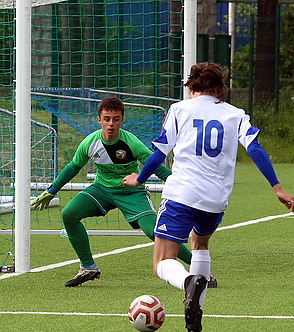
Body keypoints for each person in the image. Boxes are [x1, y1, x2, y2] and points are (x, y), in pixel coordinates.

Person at [122, 62, 294, 332]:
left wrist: (139, 178)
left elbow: (159, 153)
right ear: (220, 88)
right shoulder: (236, 114)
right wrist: (277, 188)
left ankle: (188, 283)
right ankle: (196, 312)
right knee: (200, 244)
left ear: (191, 86)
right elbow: (255, 149)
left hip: (182, 195)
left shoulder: (179, 110)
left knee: (161, 263)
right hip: (215, 200)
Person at [30, 97, 219, 288]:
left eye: (116, 119)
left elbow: (157, 167)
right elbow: (73, 167)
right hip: (101, 190)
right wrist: (51, 190)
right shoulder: (90, 142)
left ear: (122, 120)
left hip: (131, 192)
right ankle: (88, 267)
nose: (111, 124)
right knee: (69, 213)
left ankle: (200, 272)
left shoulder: (132, 143)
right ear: (99, 119)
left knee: (155, 231)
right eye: (106, 119)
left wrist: (183, 187)